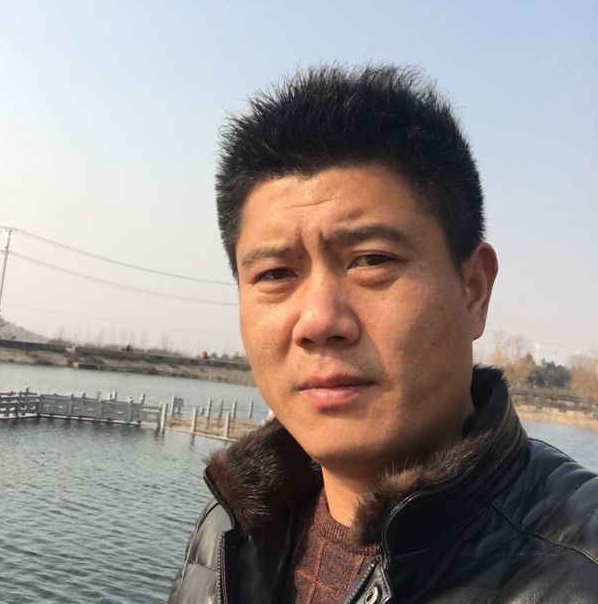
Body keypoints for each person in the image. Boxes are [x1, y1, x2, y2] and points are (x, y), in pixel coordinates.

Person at [168, 66, 597, 604]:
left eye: (371, 260)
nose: (319, 322)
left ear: (472, 291)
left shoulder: (577, 566)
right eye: (276, 273)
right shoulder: (232, 529)